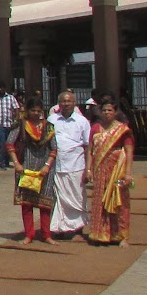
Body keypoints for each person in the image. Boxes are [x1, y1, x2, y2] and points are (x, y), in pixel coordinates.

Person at [8, 96, 59, 243]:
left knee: (45, 203)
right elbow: (10, 144)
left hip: (44, 170)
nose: (36, 113)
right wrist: (16, 163)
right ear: (27, 111)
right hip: (25, 168)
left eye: (38, 110)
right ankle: (29, 234)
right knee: (27, 203)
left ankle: (46, 235)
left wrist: (47, 165)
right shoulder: (20, 125)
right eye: (33, 110)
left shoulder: (48, 127)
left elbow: (54, 148)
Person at [85, 95, 134, 245]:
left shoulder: (122, 129)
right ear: (100, 112)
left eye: (110, 110)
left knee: (119, 200)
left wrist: (128, 173)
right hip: (100, 170)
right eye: (104, 110)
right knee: (99, 200)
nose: (107, 113)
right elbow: (90, 150)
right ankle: (100, 234)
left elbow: (129, 150)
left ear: (115, 112)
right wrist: (88, 169)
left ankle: (122, 236)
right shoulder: (95, 128)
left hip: (117, 170)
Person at [48, 90, 92, 238]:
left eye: (69, 101)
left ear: (74, 103)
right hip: (57, 165)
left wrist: (88, 169)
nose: (66, 104)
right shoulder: (52, 120)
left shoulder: (82, 121)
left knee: (77, 197)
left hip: (76, 165)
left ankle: (77, 227)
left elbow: (88, 146)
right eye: (63, 101)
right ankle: (60, 228)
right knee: (59, 199)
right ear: (59, 104)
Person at [0, 83, 20, 169]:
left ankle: (7, 161)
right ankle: (2, 163)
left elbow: (16, 110)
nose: (0, 90)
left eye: (2, 88)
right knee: (1, 144)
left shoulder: (11, 98)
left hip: (10, 125)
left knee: (9, 144)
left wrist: (16, 120)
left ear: (5, 88)